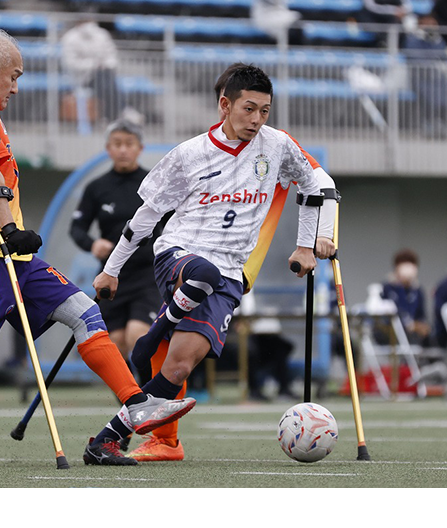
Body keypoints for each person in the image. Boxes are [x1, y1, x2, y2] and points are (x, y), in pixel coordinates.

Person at [0, 28, 194, 467]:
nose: (16, 87)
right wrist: (12, 230)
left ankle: (134, 404)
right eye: (12, 77)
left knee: (81, 310)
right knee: (80, 313)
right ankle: (134, 404)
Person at [91, 64, 336, 464]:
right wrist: (111, 269)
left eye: (265, 111)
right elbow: (145, 217)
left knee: (179, 365)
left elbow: (315, 185)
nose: (257, 120)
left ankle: (106, 440)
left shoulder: (276, 145)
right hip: (179, 254)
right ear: (225, 105)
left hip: (229, 274)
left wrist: (306, 245)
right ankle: (159, 330)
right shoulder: (188, 154)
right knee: (201, 272)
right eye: (249, 109)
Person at [69, 118, 168, 381]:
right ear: (108, 148)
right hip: (112, 276)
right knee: (115, 343)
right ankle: (131, 405)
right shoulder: (96, 188)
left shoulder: (153, 184)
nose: (123, 149)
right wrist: (93, 244)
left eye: (129, 144)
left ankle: (150, 396)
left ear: (140, 148)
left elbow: (174, 224)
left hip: (147, 274)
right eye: (117, 144)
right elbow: (76, 228)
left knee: (138, 335)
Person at [60, 19, 121, 124]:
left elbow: (112, 56)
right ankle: (116, 114)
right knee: (106, 82)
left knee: (107, 81)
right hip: (81, 77)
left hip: (104, 73)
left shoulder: (102, 34)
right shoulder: (70, 38)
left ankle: (112, 115)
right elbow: (71, 63)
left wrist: (104, 64)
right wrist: (93, 65)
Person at [381, 249, 431, 346]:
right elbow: (387, 314)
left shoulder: (417, 290)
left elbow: (421, 315)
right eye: (404, 264)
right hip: (391, 332)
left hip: (414, 332)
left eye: (411, 264)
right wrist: (409, 325)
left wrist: (420, 326)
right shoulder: (387, 288)